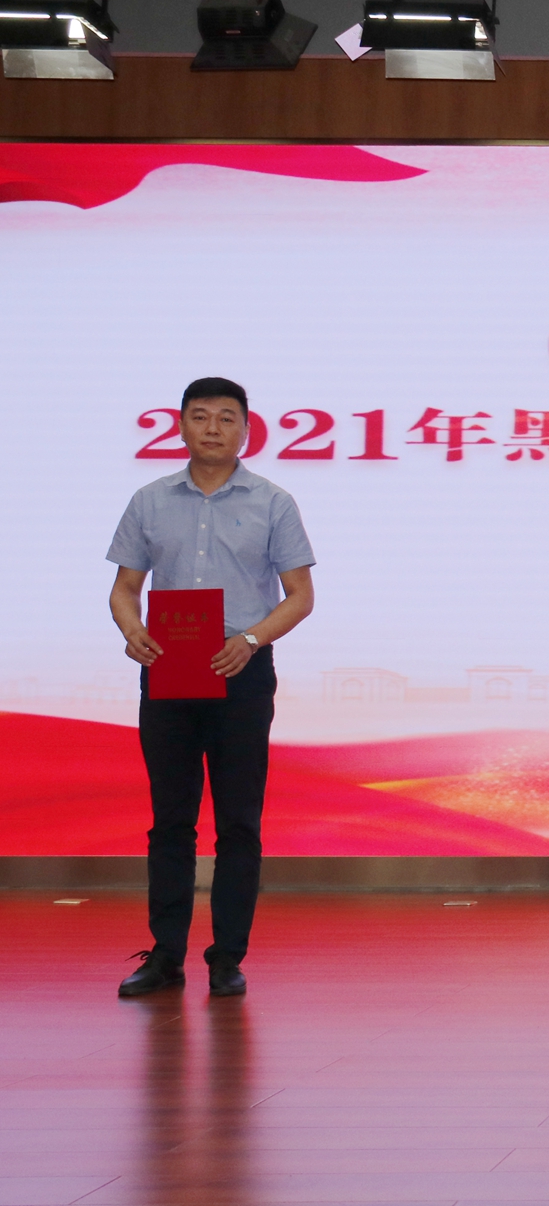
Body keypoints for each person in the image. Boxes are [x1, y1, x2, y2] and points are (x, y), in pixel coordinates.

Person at [106, 377, 317, 999]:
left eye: (227, 417)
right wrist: (132, 630)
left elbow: (300, 596)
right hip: (169, 669)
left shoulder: (274, 502)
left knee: (238, 821)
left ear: (246, 430)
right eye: (200, 416)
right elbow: (125, 588)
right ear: (180, 426)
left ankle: (227, 958)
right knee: (170, 819)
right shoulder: (149, 500)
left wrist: (250, 640)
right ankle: (165, 955)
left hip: (241, 670)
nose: (213, 428)